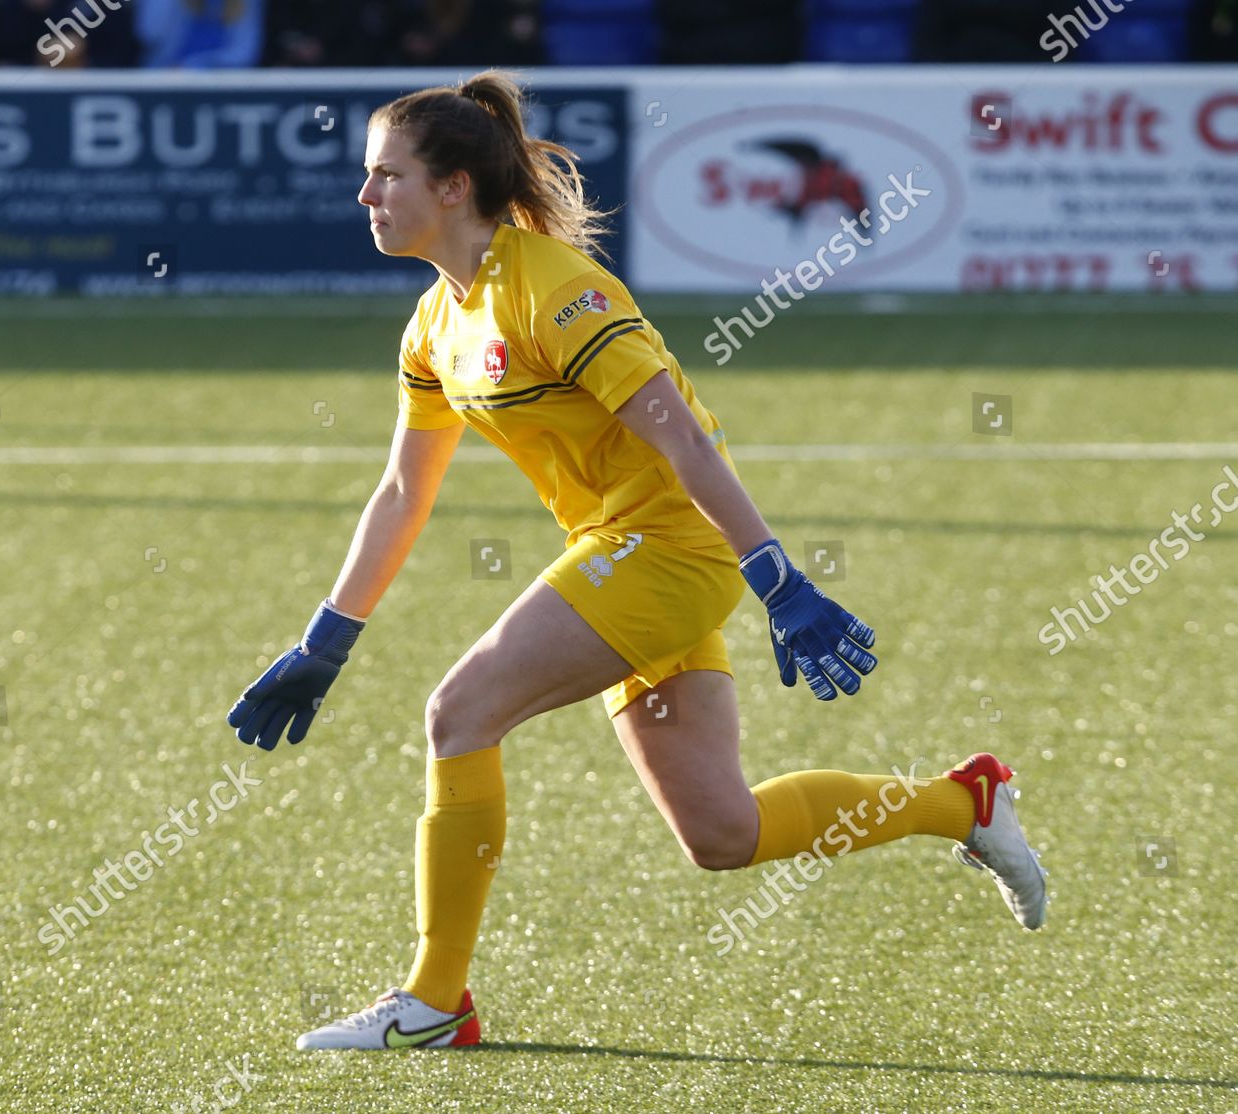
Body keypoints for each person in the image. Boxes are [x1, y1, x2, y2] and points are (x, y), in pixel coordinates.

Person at [227, 70, 1048, 1052]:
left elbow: (684, 442)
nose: (366, 195)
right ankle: (966, 801)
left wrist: (776, 577)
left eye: (385, 175)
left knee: (459, 711)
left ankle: (436, 1000)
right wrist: (327, 640)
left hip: (672, 547)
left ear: (452, 188)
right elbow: (405, 492)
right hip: (624, 551)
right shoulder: (434, 325)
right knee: (723, 835)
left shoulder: (555, 290)